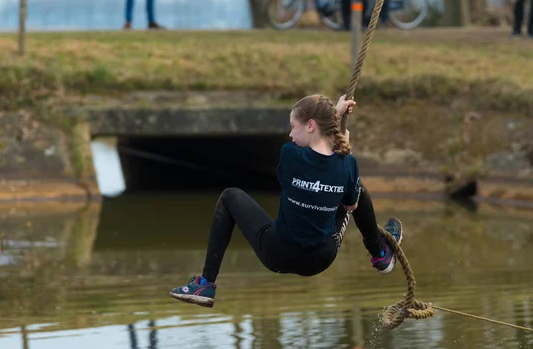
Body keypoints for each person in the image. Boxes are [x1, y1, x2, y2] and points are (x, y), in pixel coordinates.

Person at [170, 94, 403, 308]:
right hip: (320, 259)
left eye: (294, 127)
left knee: (230, 196)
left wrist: (336, 117)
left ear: (311, 125)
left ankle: (206, 283)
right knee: (357, 190)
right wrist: (338, 131)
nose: (291, 134)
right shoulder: (347, 164)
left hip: (277, 254)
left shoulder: (290, 155)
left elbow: (309, 160)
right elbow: (351, 205)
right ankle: (379, 254)